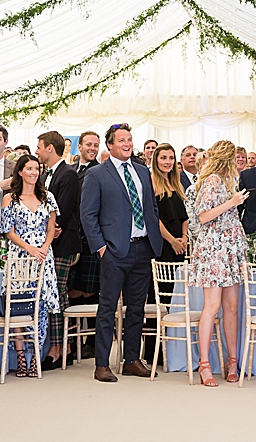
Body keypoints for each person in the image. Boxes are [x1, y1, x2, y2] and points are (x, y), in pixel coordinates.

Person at [80, 123, 163, 383]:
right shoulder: (97, 174)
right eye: (122, 140)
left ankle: (131, 360)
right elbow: (88, 215)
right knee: (107, 308)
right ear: (110, 145)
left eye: (130, 139)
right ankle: (102, 364)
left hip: (143, 247)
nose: (127, 144)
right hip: (114, 251)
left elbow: (150, 207)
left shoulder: (142, 171)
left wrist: (153, 239)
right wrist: (102, 248)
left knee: (136, 308)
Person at [189, 141, 248, 386]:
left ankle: (232, 360)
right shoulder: (212, 180)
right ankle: (204, 364)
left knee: (231, 307)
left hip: (230, 250)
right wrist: (231, 202)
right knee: (212, 307)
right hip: (214, 251)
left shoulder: (227, 181)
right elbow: (203, 216)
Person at [0, 155, 61, 377]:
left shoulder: (48, 197)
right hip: (19, 256)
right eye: (29, 168)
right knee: (18, 305)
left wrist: (43, 248)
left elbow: (51, 228)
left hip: (43, 256)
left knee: (40, 306)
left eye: (37, 168)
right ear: (20, 172)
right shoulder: (9, 199)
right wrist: (29, 248)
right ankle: (21, 355)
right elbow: (7, 230)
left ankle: (36, 357)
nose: (34, 172)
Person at [33, 131, 82, 370]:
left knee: (57, 293)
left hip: (63, 242)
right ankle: (62, 347)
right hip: (48, 240)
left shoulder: (69, 174)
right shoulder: (44, 174)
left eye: (39, 147)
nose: (37, 151)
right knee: (52, 293)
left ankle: (58, 349)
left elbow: (62, 207)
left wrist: (53, 227)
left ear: (50, 148)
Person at [67, 131, 101, 320]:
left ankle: (91, 343)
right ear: (79, 147)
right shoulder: (70, 170)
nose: (92, 148)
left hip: (90, 238)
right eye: (88, 144)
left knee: (90, 290)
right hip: (72, 236)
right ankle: (74, 343)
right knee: (72, 290)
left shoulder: (101, 171)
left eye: (95, 145)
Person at [150, 143, 188, 306]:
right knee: (163, 290)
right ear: (155, 160)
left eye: (171, 158)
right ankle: (157, 328)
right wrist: (172, 240)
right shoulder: (151, 182)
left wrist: (184, 237)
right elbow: (153, 218)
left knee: (177, 290)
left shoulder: (177, 183)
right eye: (163, 158)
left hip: (180, 245)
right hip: (162, 245)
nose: (168, 162)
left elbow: (184, 217)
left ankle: (174, 330)